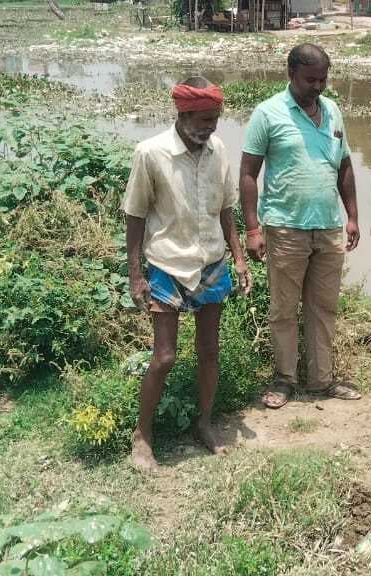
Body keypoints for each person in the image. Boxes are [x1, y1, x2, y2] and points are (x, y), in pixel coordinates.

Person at [123, 77, 251, 471]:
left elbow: (226, 208)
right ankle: (142, 435)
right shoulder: (151, 153)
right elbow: (135, 214)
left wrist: (239, 257)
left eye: (215, 119)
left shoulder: (219, 151)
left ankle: (205, 423)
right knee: (164, 356)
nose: (210, 127)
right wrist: (135, 275)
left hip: (211, 264)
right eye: (203, 119)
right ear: (182, 114)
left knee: (209, 351)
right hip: (166, 266)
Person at [240, 43, 361, 409]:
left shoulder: (333, 111)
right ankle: (284, 379)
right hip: (284, 227)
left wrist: (352, 216)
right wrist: (252, 229)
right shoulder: (268, 113)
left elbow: (345, 166)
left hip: (328, 228)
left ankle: (321, 380)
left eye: (323, 79)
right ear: (290, 73)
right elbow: (248, 174)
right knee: (283, 308)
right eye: (311, 79)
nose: (318, 87)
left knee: (323, 306)